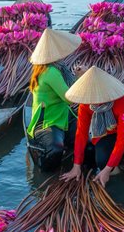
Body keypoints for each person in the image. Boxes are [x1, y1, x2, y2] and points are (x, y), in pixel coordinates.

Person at [61, 66, 124, 186]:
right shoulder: (86, 104)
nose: (93, 101)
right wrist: (76, 165)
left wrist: (107, 169)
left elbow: (122, 138)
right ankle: (119, 176)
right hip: (105, 132)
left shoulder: (123, 101)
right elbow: (81, 133)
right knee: (102, 162)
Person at [27, 28, 82, 171]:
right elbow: (69, 98)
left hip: (63, 114)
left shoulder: (53, 67)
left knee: (85, 142)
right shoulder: (51, 71)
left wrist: (76, 77)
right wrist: (82, 78)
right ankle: (47, 173)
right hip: (47, 120)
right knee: (56, 149)